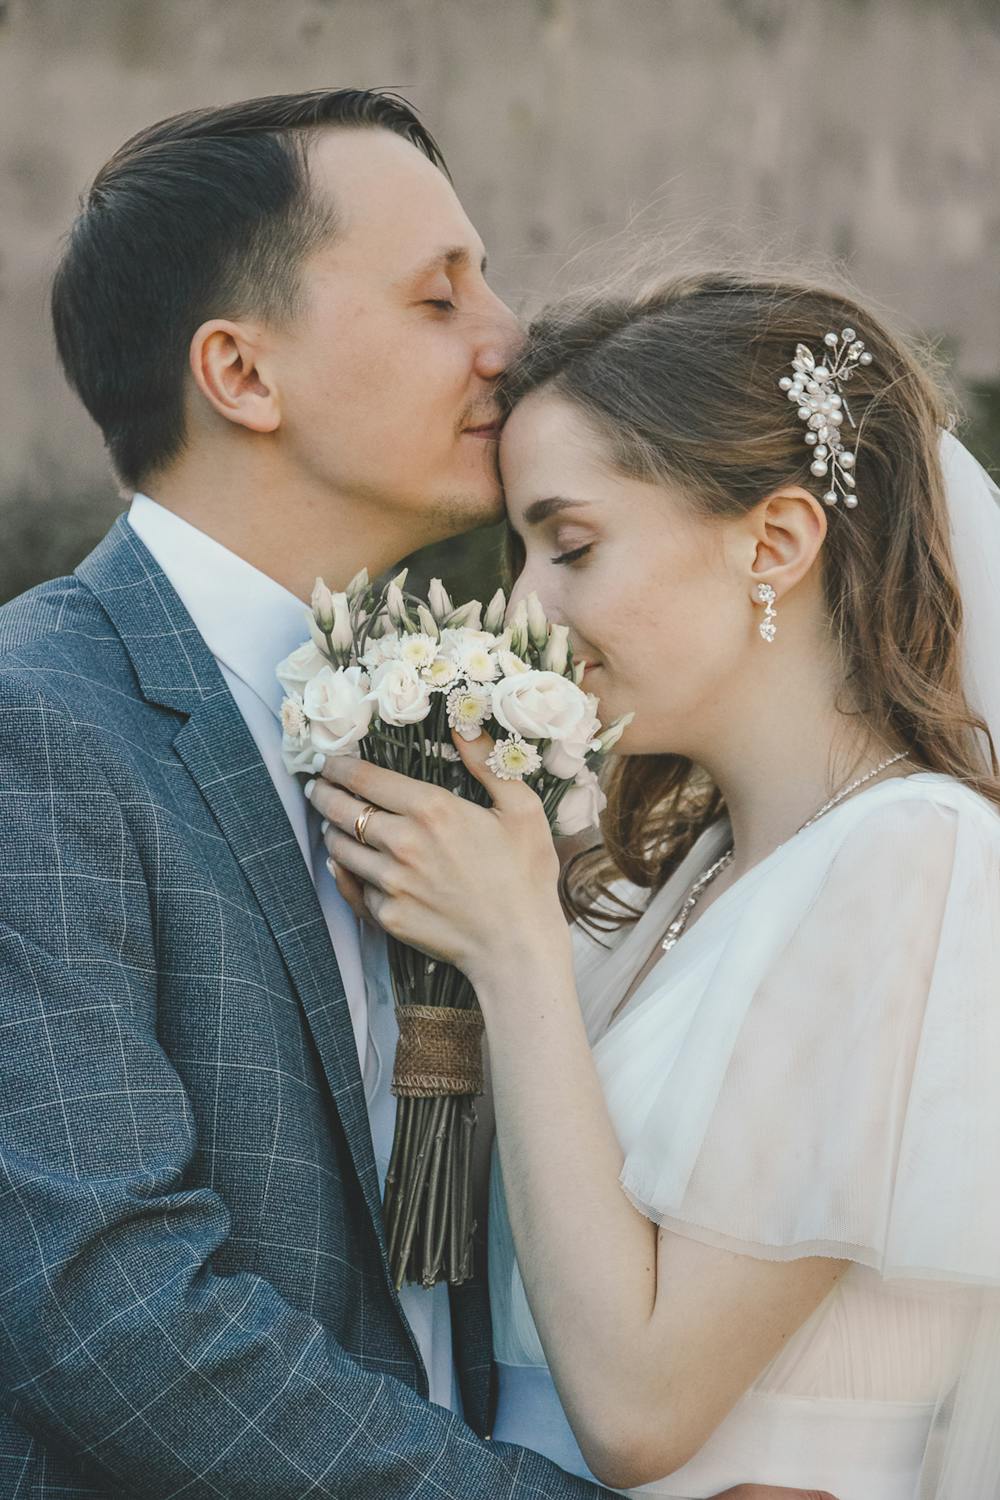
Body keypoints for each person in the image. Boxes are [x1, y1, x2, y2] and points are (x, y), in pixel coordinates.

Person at [0, 90, 819, 1500]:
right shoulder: (41, 726)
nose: (510, 338)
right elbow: (110, 1304)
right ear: (242, 376)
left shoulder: (451, 706)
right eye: (442, 299)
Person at [309, 271, 1000, 1498]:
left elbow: (639, 1411)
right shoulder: (682, 878)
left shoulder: (915, 858)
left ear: (775, 543)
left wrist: (511, 943)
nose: (526, 607)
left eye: (571, 544)